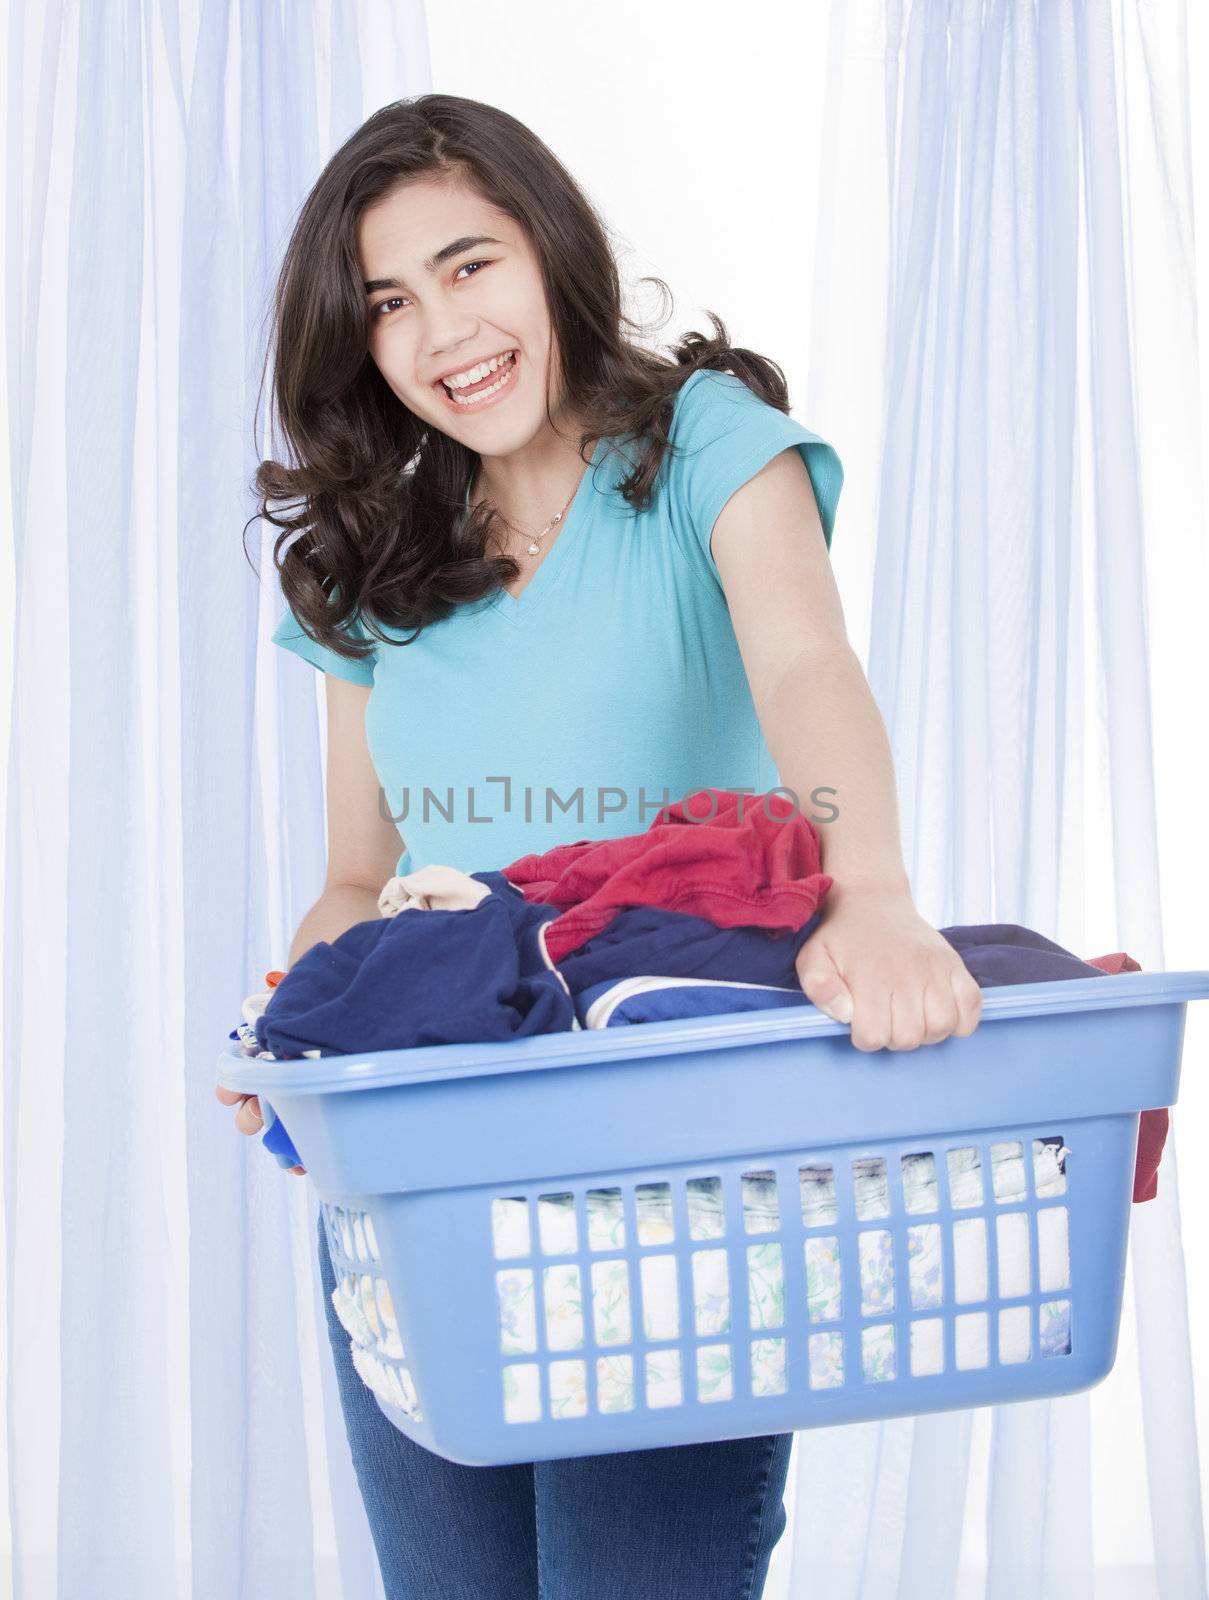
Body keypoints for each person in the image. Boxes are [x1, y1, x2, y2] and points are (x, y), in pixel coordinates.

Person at [217, 93, 983, 1600]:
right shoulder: (375, 567)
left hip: (669, 1185)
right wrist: (300, 1026)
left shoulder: (702, 439)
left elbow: (805, 665)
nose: (443, 329)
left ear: (549, 249)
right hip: (426, 1189)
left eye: (468, 264)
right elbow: (361, 881)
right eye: (386, 303)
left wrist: (872, 896)